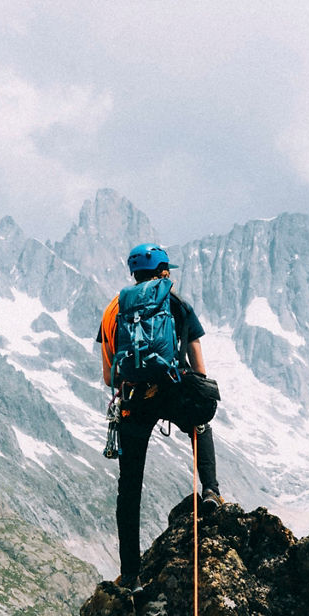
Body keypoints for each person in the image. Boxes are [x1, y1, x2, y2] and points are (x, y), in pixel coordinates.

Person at [98, 243, 222, 590]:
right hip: (171, 389)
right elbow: (198, 364)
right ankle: (211, 492)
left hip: (134, 401)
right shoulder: (176, 303)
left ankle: (131, 574)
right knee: (200, 424)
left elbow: (108, 377)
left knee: (129, 489)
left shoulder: (113, 310)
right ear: (163, 271)